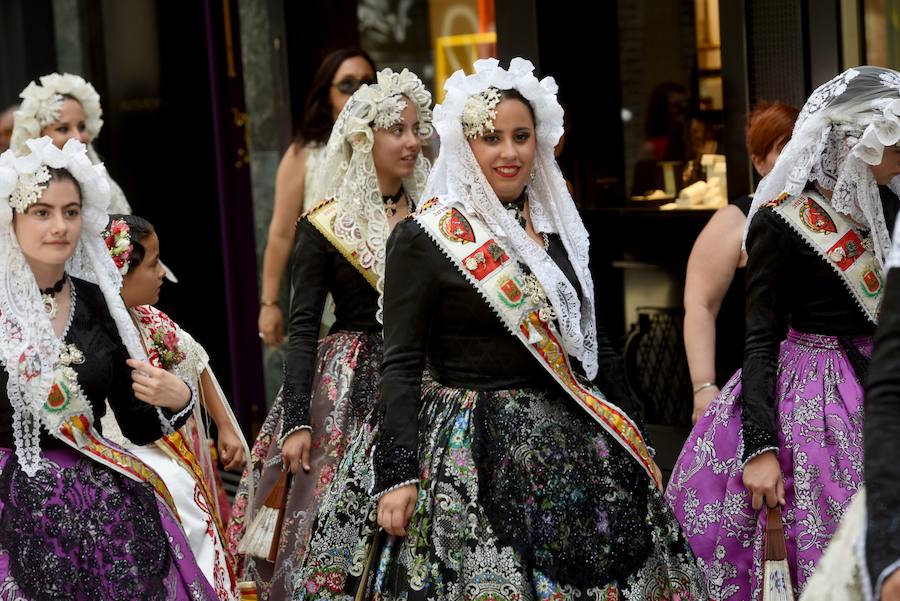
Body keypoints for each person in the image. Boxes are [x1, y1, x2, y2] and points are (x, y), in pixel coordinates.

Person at [296, 57, 706, 600]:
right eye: (491, 138)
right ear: (467, 146)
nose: (508, 152)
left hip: (569, 435)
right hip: (467, 445)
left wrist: (636, 434)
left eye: (521, 136)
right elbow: (399, 364)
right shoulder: (426, 237)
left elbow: (592, 340)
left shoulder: (558, 230)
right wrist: (396, 473)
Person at [666, 66, 900, 600]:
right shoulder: (779, 221)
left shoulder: (888, 208)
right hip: (812, 403)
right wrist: (761, 449)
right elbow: (759, 340)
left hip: (879, 382)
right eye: (895, 148)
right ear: (855, 146)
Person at [231, 67, 432, 601]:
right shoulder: (325, 224)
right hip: (350, 382)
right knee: (340, 525)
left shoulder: (437, 214)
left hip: (430, 379)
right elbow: (302, 329)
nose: (413, 141)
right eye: (398, 129)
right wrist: (296, 419)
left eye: (417, 128)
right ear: (364, 138)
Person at [0, 136, 215, 599]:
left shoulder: (96, 302)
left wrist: (179, 398)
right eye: (42, 212)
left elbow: (137, 425)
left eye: (71, 212)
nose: (59, 226)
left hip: (99, 499)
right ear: (11, 218)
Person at [100, 213, 250, 599]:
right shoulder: (96, 330)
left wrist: (226, 425)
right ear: (119, 273)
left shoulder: (149, 319)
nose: (162, 273)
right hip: (118, 457)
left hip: (164, 450)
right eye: (153, 264)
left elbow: (194, 359)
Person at [684, 101, 799, 423]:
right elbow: (700, 305)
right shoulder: (735, 219)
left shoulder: (822, 215)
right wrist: (703, 386)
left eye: (800, 144)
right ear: (758, 161)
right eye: (782, 148)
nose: (794, 155)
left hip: (808, 378)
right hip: (746, 375)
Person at [257, 48, 376, 348]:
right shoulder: (303, 154)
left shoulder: (391, 146)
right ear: (327, 94)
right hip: (325, 297)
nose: (357, 92)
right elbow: (282, 234)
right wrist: (269, 303)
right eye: (347, 85)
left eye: (367, 83)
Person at [11, 73, 131, 214]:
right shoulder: (22, 193)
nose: (78, 137)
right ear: (38, 135)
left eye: (81, 126)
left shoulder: (100, 185)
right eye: (63, 129)